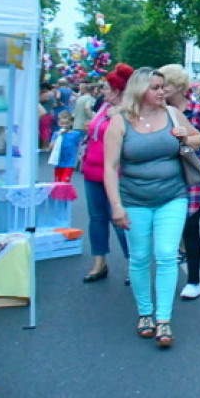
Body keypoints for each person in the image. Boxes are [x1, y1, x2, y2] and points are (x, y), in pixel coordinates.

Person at [105, 68, 200, 348]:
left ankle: (163, 319)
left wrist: (186, 136)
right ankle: (144, 314)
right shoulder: (120, 122)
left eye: (163, 87)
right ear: (139, 91)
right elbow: (110, 168)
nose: (162, 92)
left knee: (165, 254)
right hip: (134, 199)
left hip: (172, 196)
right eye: (156, 88)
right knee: (139, 257)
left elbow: (197, 139)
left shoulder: (172, 114)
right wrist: (116, 206)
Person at [160, 64, 200, 302]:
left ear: (180, 87)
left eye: (167, 85)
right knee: (169, 228)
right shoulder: (158, 113)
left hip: (193, 178)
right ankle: (169, 274)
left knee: (190, 226)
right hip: (167, 176)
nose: (162, 90)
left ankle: (194, 280)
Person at [80, 63, 134, 284]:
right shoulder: (103, 107)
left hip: (114, 172)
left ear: (118, 90)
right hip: (92, 170)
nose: (103, 91)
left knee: (119, 219)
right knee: (96, 218)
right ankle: (99, 261)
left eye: (106, 88)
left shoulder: (129, 111)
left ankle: (133, 262)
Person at [48, 111, 83, 183]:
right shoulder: (56, 134)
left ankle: (66, 194)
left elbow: (80, 145)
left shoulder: (75, 134)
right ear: (59, 123)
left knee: (64, 183)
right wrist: (58, 136)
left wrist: (80, 156)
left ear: (71, 123)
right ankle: (58, 194)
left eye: (66, 123)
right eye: (62, 123)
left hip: (69, 163)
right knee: (57, 183)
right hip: (58, 162)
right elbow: (50, 147)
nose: (64, 126)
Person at [38, 82, 56, 147]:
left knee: (44, 131)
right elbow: (54, 105)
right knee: (47, 130)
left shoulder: (46, 95)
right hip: (50, 114)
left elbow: (37, 100)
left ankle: (44, 146)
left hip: (45, 115)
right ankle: (46, 145)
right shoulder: (52, 94)